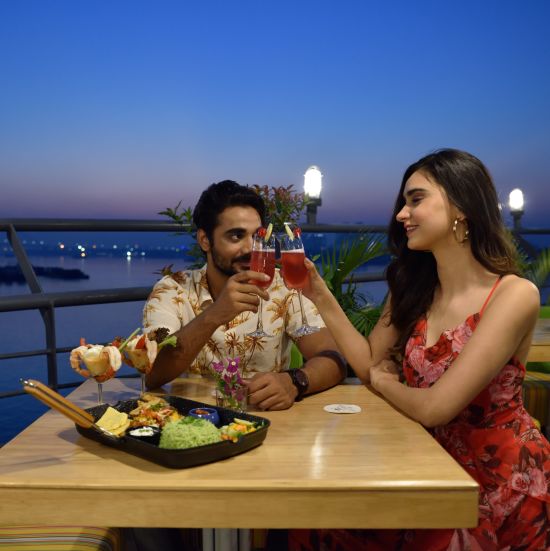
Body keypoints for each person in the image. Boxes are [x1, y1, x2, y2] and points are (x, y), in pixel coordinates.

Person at [290, 149, 550, 549]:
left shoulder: (514, 295)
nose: (401, 214)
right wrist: (320, 295)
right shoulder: (414, 288)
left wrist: (382, 381)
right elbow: (368, 359)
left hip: (495, 480)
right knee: (316, 523)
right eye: (403, 202)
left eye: (415, 199)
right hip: (423, 463)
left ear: (461, 206)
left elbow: (435, 408)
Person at [143, 180, 346, 410]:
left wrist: (294, 381)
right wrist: (214, 315)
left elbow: (334, 357)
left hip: (267, 421)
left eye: (257, 236)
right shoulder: (172, 290)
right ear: (205, 240)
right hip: (191, 420)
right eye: (236, 236)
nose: (251, 248)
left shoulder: (283, 286)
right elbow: (152, 373)